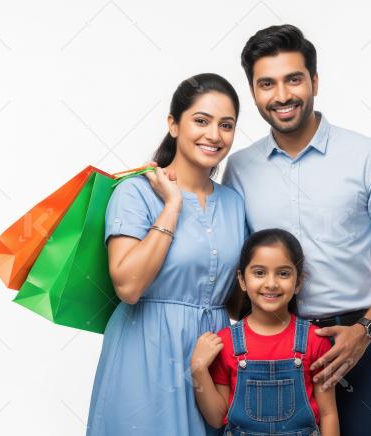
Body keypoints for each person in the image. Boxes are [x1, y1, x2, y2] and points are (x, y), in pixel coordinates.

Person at [222, 25, 371, 435]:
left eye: (293, 79)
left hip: (352, 341)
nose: (281, 95)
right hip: (268, 347)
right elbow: (234, 262)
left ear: (315, 81)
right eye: (266, 83)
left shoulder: (369, 157)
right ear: (253, 91)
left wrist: (366, 332)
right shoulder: (240, 168)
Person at [87, 73, 246, 435]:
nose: (214, 135)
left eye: (226, 125)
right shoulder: (134, 194)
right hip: (146, 350)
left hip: (213, 357)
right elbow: (128, 287)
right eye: (201, 121)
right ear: (173, 125)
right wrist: (172, 206)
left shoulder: (234, 203)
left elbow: (236, 301)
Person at [190, 228, 339, 435]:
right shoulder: (225, 343)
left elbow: (328, 414)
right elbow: (216, 418)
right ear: (242, 280)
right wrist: (198, 369)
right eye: (259, 273)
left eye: (284, 273)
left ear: (298, 282)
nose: (271, 283)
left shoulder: (315, 341)